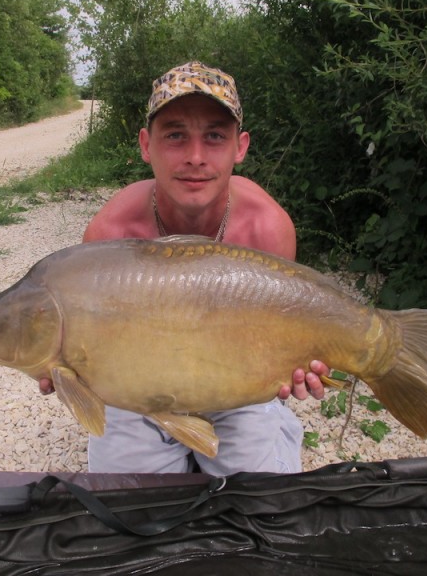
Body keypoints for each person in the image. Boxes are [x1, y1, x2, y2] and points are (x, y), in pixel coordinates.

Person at [42, 61, 329, 475]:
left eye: (214, 136)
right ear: (146, 145)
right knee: (130, 510)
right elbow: (89, 350)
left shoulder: (266, 228)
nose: (195, 157)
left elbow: (282, 339)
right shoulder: (110, 233)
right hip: (139, 390)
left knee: (261, 499)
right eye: (175, 136)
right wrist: (65, 367)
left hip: (237, 389)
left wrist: (303, 365)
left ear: (240, 147)